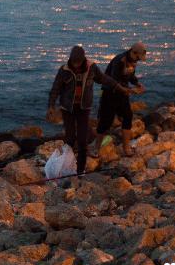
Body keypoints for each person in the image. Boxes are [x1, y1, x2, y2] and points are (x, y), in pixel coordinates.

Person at [47, 45, 128, 176]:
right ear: (70, 59)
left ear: (83, 59)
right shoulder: (64, 70)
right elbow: (55, 89)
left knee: (83, 140)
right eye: (74, 62)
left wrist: (119, 87)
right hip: (67, 108)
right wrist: (51, 106)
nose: (76, 65)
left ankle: (80, 171)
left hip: (84, 108)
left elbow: (104, 79)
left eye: (78, 62)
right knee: (70, 137)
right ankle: (67, 164)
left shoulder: (92, 68)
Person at [94, 42, 148, 157]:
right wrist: (129, 90)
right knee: (105, 121)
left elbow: (131, 76)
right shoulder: (120, 61)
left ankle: (126, 148)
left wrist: (137, 84)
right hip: (110, 93)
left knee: (128, 116)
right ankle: (96, 148)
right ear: (132, 52)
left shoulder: (133, 62)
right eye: (138, 57)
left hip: (123, 94)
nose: (138, 60)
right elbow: (114, 81)